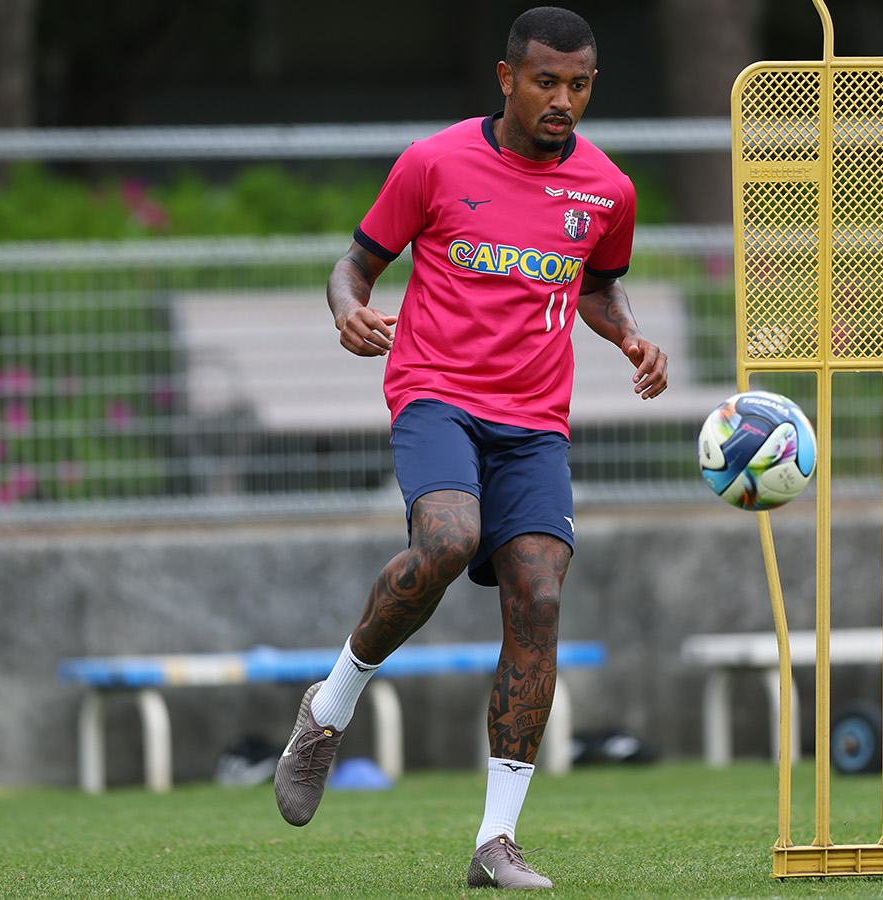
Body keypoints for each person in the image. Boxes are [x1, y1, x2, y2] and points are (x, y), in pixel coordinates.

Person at [273, 6, 667, 890]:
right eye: (545, 81)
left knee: (539, 595)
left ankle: (496, 843)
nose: (562, 100)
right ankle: (329, 709)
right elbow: (353, 265)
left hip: (535, 423)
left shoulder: (608, 190)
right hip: (437, 397)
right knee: (449, 539)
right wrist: (347, 310)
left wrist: (630, 336)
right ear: (506, 78)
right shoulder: (434, 162)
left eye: (578, 85)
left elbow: (597, 288)